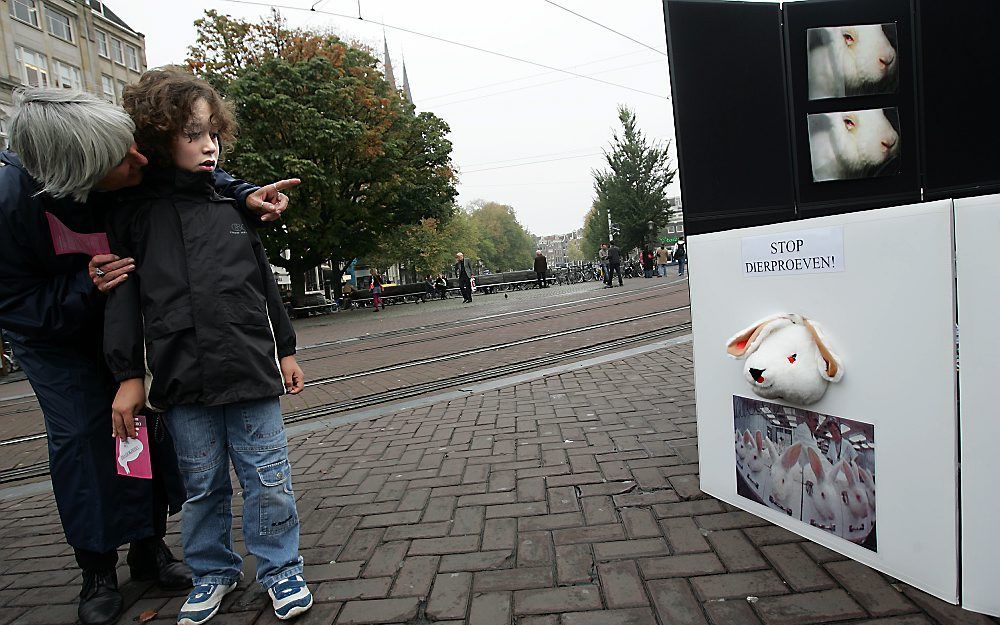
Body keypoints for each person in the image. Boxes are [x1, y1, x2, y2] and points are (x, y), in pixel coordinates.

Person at [0, 88, 294, 625]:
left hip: (134, 321)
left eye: (138, 147)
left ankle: (149, 547)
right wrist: (84, 289)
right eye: (125, 157)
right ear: (79, 174)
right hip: (57, 339)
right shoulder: (9, 202)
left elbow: (192, 181)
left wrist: (245, 193)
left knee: (148, 435)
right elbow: (15, 306)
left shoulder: (130, 169)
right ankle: (95, 566)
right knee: (86, 439)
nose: (140, 159)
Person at [104, 69, 312, 624]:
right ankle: (212, 571)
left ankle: (280, 567)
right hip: (181, 374)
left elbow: (265, 286)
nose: (209, 145)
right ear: (157, 138)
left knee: (269, 476)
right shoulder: (136, 217)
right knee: (201, 486)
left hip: (248, 366)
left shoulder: (233, 207)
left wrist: (285, 349)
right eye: (193, 134)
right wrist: (128, 373)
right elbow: (123, 302)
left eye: (213, 133)